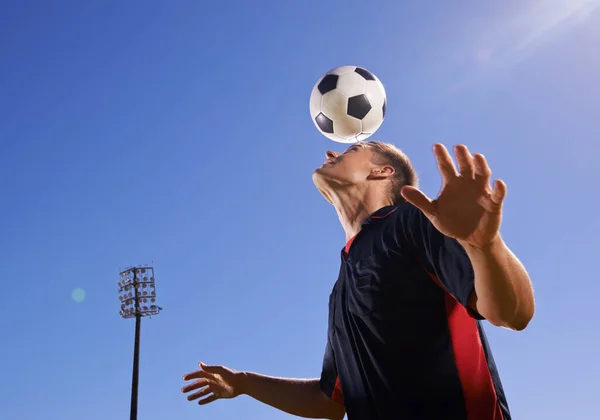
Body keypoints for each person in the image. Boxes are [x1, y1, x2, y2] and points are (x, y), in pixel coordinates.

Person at [181, 141, 535, 420]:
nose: (331, 152)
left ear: (382, 172)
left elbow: (513, 314)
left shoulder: (415, 221)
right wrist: (243, 383)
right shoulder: (342, 286)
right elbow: (330, 401)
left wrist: (484, 245)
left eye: (352, 150)